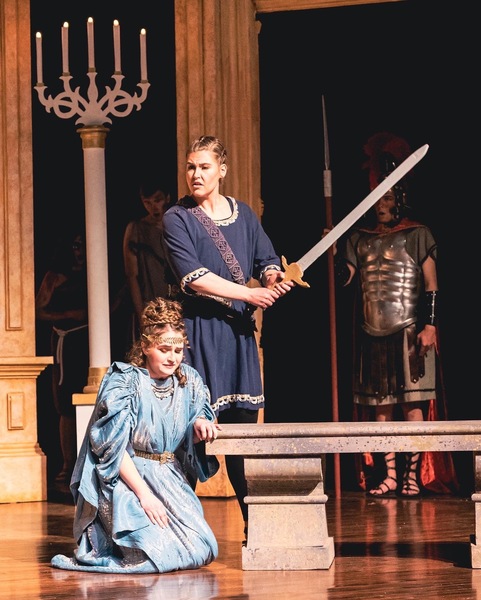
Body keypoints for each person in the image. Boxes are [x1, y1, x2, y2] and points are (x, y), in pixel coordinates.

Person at [162, 135, 295, 537]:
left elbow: (266, 259)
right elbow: (194, 277)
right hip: (198, 333)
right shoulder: (177, 218)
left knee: (242, 439)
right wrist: (249, 294)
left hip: (236, 336)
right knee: (190, 439)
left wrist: (273, 276)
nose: (195, 174)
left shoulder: (245, 215)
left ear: (221, 170)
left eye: (204, 167)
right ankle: (176, 533)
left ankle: (257, 529)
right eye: (190, 166)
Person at [51, 297, 221, 573]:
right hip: (127, 478)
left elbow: (193, 423)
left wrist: (200, 423)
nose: (172, 358)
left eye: (178, 350)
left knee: (203, 549)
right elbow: (112, 450)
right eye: (164, 349)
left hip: (170, 476)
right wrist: (144, 495)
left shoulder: (188, 380)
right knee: (154, 553)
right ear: (145, 347)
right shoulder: (125, 382)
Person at [332, 132, 457, 497]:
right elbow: (346, 280)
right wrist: (336, 251)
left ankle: (411, 476)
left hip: (408, 330)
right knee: (380, 408)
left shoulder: (418, 234)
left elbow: (432, 284)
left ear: (399, 198)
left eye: (387, 197)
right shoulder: (359, 238)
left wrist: (430, 326)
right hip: (371, 330)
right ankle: (389, 475)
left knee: (411, 407)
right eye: (377, 198)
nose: (381, 205)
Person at [35, 230, 89, 497]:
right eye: (76, 246)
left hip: (88, 340)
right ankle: (67, 466)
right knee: (65, 404)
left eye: (83, 246)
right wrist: (69, 314)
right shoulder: (55, 277)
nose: (80, 251)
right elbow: (38, 311)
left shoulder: (94, 275)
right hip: (65, 342)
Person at [122, 179, 176, 349]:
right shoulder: (137, 229)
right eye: (147, 202)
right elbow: (132, 276)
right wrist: (141, 316)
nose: (153, 207)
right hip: (150, 304)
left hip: (176, 305)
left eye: (157, 200)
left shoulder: (177, 227)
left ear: (167, 198)